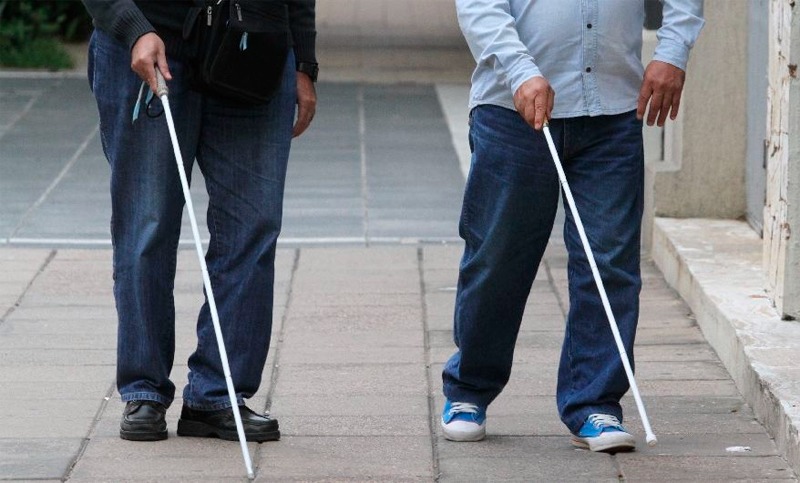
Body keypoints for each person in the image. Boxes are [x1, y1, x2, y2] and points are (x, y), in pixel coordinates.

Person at [441, 0, 704, 452]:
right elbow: (479, 5)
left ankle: (595, 402)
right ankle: (469, 387)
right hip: (512, 107)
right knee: (497, 258)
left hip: (613, 108)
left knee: (610, 263)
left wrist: (672, 52)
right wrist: (520, 69)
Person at [81, 0, 318, 442]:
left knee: (254, 226)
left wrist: (304, 59)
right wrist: (131, 26)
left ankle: (217, 395)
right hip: (149, 41)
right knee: (146, 224)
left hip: (255, 42)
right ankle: (144, 390)